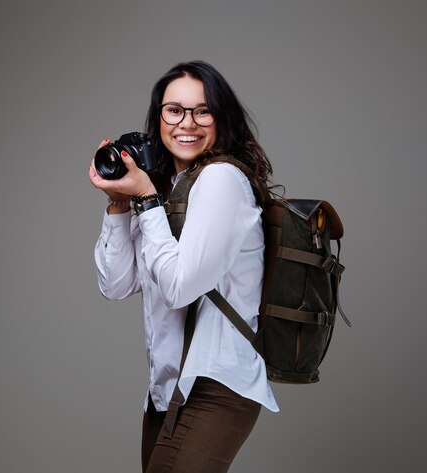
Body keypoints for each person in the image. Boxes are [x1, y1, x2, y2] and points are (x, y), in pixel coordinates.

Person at [89, 60, 278, 473]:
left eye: (202, 110)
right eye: (174, 110)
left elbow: (178, 288)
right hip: (167, 389)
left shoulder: (221, 179)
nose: (186, 123)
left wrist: (146, 200)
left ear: (221, 117)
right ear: (159, 117)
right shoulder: (169, 188)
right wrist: (121, 201)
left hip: (214, 383)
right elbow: (116, 284)